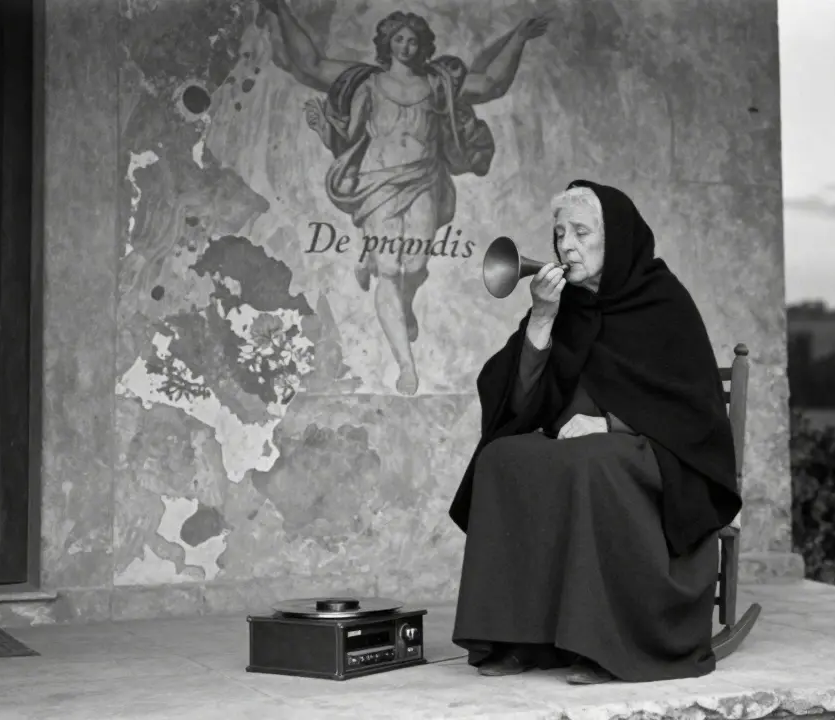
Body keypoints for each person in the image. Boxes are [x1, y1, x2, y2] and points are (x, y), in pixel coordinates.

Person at [448, 180, 743, 685]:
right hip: (578, 448)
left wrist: (608, 424)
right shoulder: (566, 305)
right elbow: (517, 402)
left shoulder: (663, 302)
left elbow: (692, 413)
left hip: (659, 457)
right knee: (501, 458)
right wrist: (541, 318)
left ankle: (608, 644)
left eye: (582, 233)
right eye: (560, 233)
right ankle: (523, 638)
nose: (566, 246)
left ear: (618, 239)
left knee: (594, 461)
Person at [258, 0, 549, 395]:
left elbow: (492, 82)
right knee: (391, 270)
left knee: (413, 263)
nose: (407, 46)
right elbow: (309, 63)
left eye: (414, 40)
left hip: (424, 179)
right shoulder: (365, 80)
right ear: (387, 43)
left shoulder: (438, 84)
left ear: (423, 46)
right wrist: (282, 12)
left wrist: (517, 38)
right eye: (399, 38)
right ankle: (406, 366)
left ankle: (393, 290)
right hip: (376, 181)